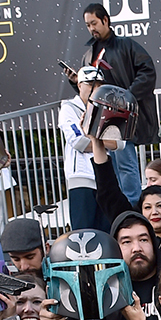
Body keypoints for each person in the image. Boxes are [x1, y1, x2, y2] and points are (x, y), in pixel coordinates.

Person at [76, 3, 158, 205]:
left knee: (125, 162)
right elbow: (88, 88)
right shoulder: (89, 54)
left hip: (122, 115)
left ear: (105, 20)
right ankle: (120, 206)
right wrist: (75, 81)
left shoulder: (127, 45)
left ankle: (132, 205)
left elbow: (147, 72)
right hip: (101, 115)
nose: (91, 28)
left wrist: (127, 97)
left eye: (94, 23)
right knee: (109, 163)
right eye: (87, 25)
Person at [60, 65, 114, 233]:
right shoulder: (69, 108)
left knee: (107, 233)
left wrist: (94, 140)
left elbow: (120, 143)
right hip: (81, 178)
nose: (95, 88)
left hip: (104, 177)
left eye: (99, 84)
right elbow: (79, 142)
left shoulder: (109, 107)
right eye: (90, 84)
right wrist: (104, 141)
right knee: (82, 236)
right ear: (79, 85)